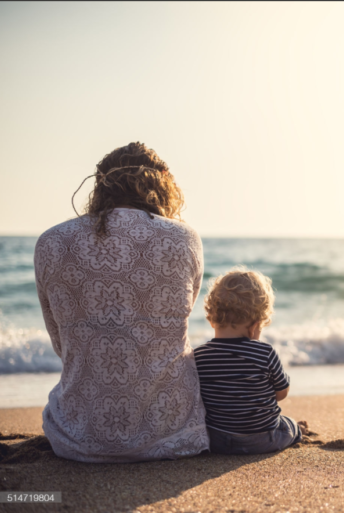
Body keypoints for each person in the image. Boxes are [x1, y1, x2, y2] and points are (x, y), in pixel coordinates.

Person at [33, 142, 209, 462]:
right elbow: (176, 321)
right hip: (171, 431)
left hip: (78, 435)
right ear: (163, 183)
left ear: (99, 187)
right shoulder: (184, 238)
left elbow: (62, 345)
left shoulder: (51, 242)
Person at [193, 268, 302, 454]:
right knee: (289, 425)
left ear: (211, 320)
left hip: (216, 440)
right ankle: (299, 432)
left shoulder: (199, 356)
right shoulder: (264, 352)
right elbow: (281, 393)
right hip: (262, 440)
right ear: (254, 327)